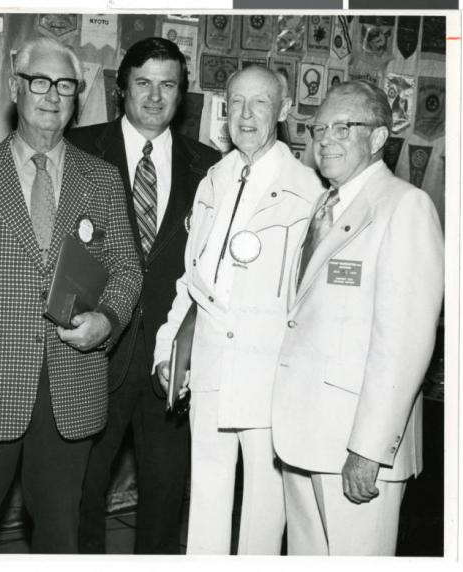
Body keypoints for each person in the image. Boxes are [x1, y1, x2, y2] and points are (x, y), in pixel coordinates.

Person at [0, 37, 142, 554]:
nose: (51, 95)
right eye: (39, 81)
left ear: (77, 96)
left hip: (72, 383)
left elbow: (127, 270)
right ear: (17, 90)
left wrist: (106, 321)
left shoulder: (103, 180)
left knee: (60, 537)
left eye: (65, 85)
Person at [153, 66, 324, 554]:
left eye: (261, 103)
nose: (246, 115)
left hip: (269, 371)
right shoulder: (214, 179)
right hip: (209, 363)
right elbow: (192, 280)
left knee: (265, 508)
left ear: (285, 111)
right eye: (237, 103)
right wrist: (168, 352)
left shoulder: (308, 188)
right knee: (205, 495)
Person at [271, 80, 444, 556]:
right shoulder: (324, 205)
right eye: (318, 127)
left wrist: (368, 449)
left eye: (343, 127)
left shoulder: (404, 207)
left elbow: (405, 343)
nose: (324, 139)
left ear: (378, 138)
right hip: (304, 436)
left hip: (355, 446)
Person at [67, 37, 221, 554]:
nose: (155, 97)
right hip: (93, 351)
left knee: (164, 495)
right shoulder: (80, 149)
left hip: (171, 360)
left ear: (182, 95)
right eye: (143, 84)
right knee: (82, 493)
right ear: (121, 89)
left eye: (169, 85)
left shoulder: (212, 167)